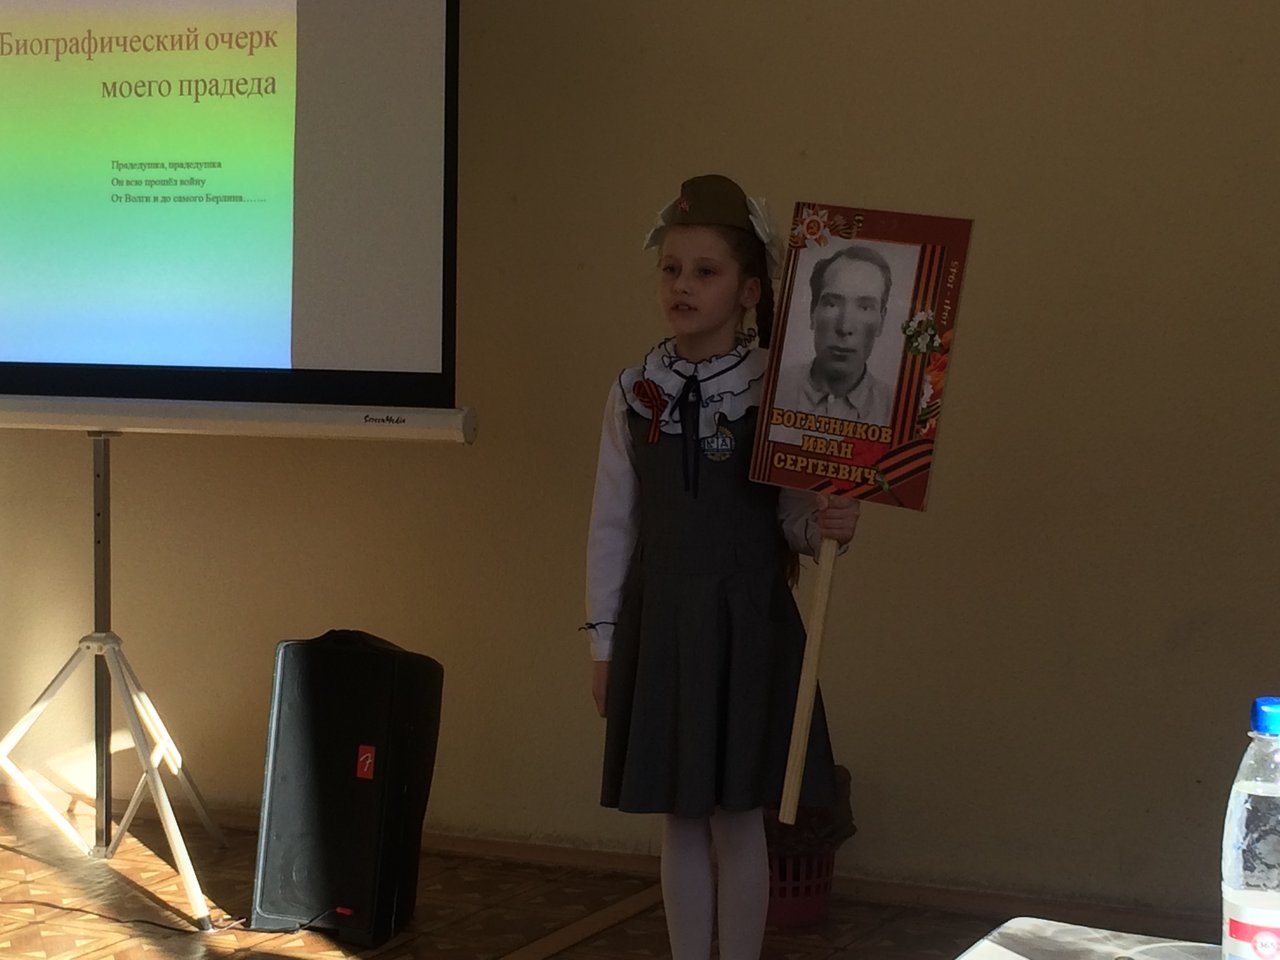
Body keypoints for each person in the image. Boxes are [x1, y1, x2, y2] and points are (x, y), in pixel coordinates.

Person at [582, 174, 859, 960]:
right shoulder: (634, 393)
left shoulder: (779, 393)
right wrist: (604, 643)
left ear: (748, 290)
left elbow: (796, 522)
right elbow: (612, 524)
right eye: (671, 269)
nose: (682, 285)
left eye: (705, 271)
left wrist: (830, 524)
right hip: (664, 623)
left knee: (739, 816)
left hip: (748, 626)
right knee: (681, 815)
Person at [771, 244, 896, 426]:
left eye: (865, 307)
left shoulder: (897, 409)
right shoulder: (773, 388)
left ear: (881, 321)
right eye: (831, 304)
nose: (844, 327)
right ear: (812, 312)